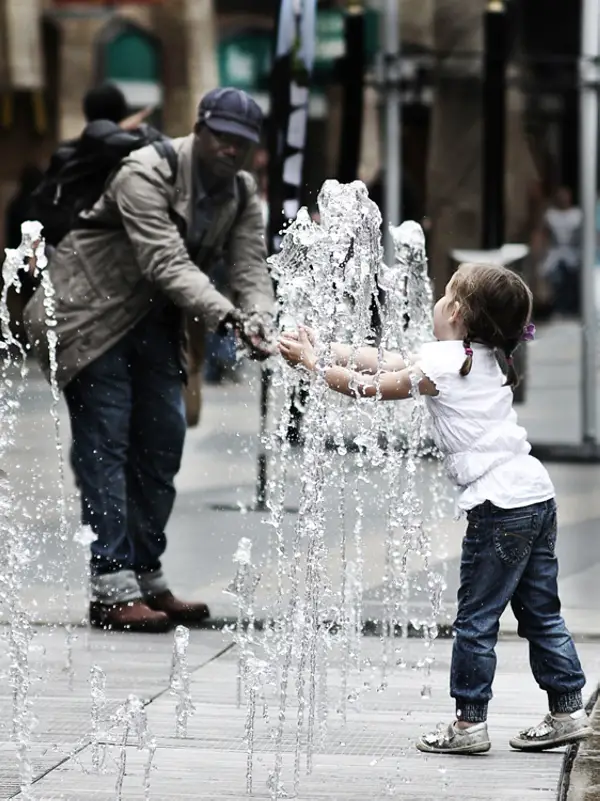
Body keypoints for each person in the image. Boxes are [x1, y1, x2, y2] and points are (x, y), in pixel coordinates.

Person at [278, 262, 591, 754]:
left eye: (446, 296)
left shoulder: (448, 362)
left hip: (499, 507)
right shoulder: (482, 354)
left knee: (476, 619)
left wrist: (313, 365)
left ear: (459, 313)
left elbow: (374, 386)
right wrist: (325, 346)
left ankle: (469, 725)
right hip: (535, 496)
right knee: (540, 613)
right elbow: (384, 358)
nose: (438, 303)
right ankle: (568, 709)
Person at [24, 87, 275, 633]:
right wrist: (228, 319)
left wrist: (259, 318)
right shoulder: (145, 171)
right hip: (90, 319)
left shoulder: (241, 193)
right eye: (222, 138)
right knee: (105, 448)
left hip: (156, 326)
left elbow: (250, 266)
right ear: (199, 130)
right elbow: (165, 261)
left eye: (244, 143)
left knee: (162, 445)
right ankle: (111, 585)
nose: (232, 152)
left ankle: (144, 572)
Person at [541, 186, 582, 317]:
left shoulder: (577, 214)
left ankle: (572, 308)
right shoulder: (550, 215)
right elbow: (544, 235)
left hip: (573, 252)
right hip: (555, 253)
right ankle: (559, 308)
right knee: (556, 281)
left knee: (572, 281)